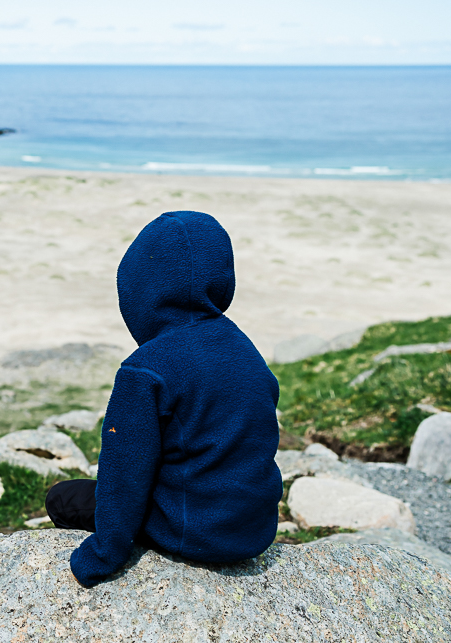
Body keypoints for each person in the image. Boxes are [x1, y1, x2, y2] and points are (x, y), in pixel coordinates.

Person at [46, 211, 282, 587]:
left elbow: (124, 476)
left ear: (141, 294)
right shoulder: (245, 350)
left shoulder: (146, 368)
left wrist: (101, 557)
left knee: (62, 498)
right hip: (253, 531)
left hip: (195, 532)